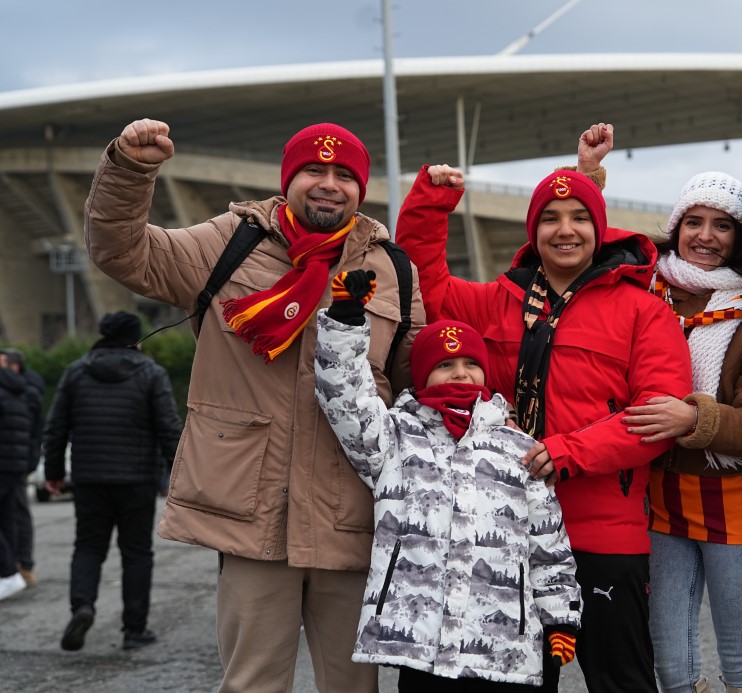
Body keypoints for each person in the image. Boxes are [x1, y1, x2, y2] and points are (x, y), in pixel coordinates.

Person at [83, 118, 424, 692]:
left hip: (351, 513)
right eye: (313, 170)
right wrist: (129, 170)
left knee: (355, 687)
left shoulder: (392, 270)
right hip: (253, 514)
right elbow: (123, 252)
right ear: (287, 178)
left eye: (344, 175)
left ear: (360, 189)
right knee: (253, 684)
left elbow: (417, 382)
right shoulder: (229, 242)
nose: (328, 184)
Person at [394, 124, 692, 693]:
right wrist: (431, 203)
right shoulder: (497, 301)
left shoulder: (644, 311)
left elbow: (656, 418)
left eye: (579, 217)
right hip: (506, 530)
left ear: (599, 229)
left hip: (603, 529)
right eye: (550, 218)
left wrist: (565, 452)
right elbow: (426, 283)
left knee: (621, 681)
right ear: (533, 231)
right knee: (519, 682)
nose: (565, 229)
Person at [314, 269, 582, 691]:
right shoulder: (395, 436)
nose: (460, 373)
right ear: (422, 375)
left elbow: (547, 538)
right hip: (421, 644)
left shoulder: (517, 446)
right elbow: (345, 398)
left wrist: (560, 617)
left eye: (471, 364)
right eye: (445, 365)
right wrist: (345, 321)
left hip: (501, 645)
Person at [620, 172, 742, 693]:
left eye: (722, 225)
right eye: (694, 222)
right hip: (660, 494)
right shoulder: (643, 290)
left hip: (733, 498)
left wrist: (695, 420)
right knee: (672, 669)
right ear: (676, 227)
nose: (705, 236)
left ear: (740, 238)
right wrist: (589, 175)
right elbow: (580, 245)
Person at [42, 311, 182, 650]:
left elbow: (56, 428)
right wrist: (179, 476)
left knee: (88, 547)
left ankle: (83, 607)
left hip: (89, 478)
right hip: (137, 479)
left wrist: (54, 474)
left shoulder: (76, 372)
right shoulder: (151, 373)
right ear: (135, 339)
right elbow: (168, 429)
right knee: (136, 552)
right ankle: (134, 629)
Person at [0, 348, 44, 588]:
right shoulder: (26, 390)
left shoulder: (22, 391)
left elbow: (34, 431)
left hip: (11, 461)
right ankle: (18, 567)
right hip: (17, 462)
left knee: (15, 515)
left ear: (14, 366)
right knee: (13, 515)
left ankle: (15, 567)